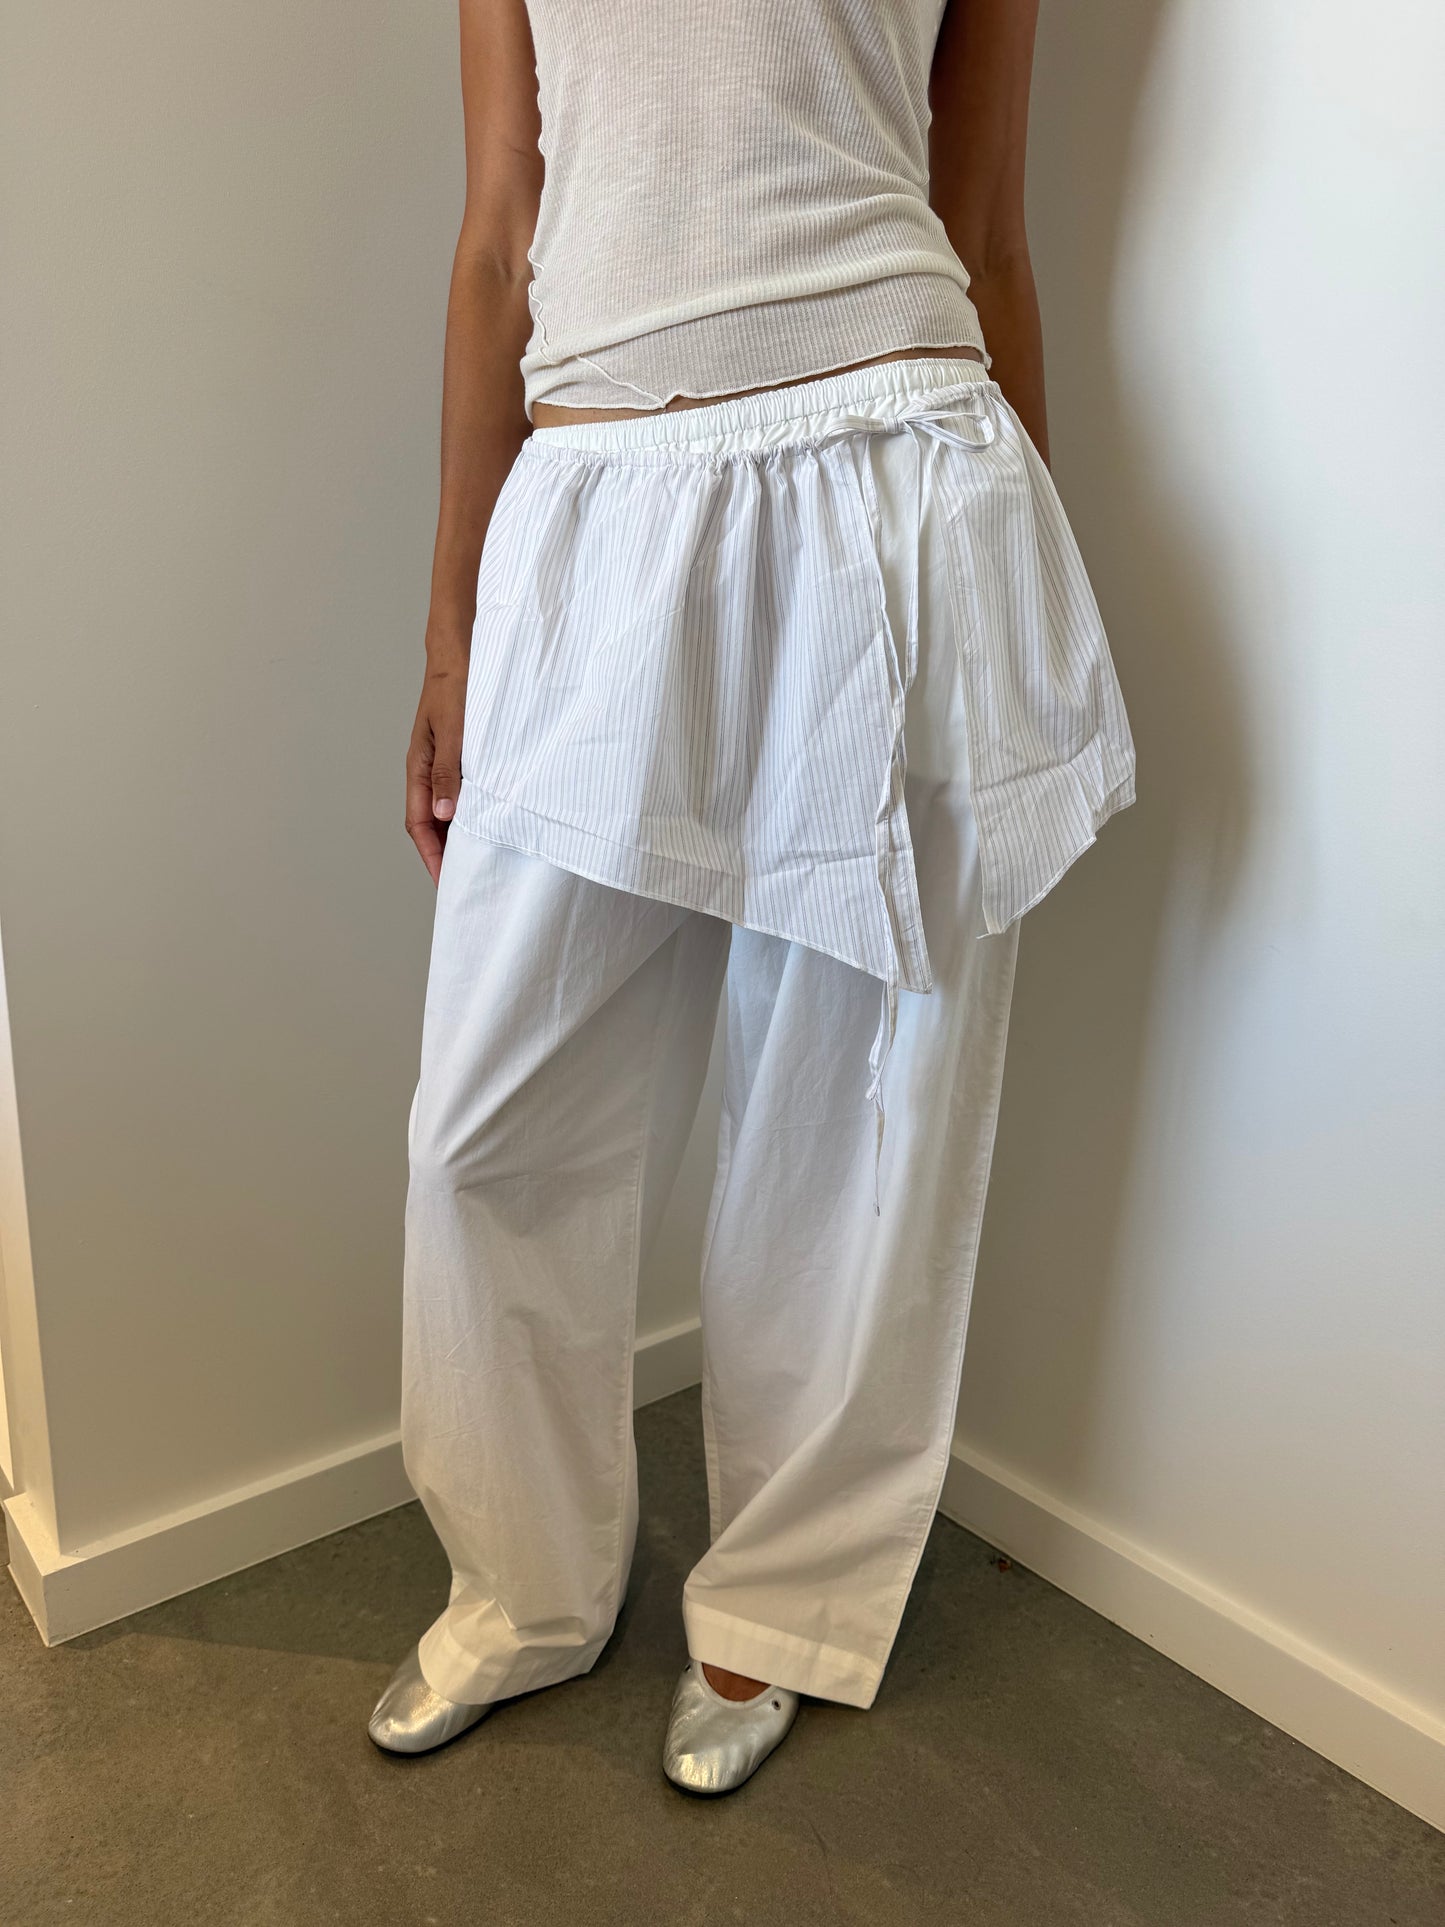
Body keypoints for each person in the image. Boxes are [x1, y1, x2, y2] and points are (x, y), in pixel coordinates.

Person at [368, 0, 1135, 1796]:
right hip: (599, 495)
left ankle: (775, 1605)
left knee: (854, 1112)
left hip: (895, 474)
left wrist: (1021, 581)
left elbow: (987, 223)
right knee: (483, 1125)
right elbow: (498, 234)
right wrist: (449, 626)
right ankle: (523, 1586)